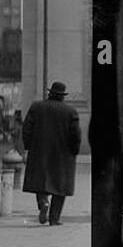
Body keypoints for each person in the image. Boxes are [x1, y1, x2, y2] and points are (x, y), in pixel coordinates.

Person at [22, 81, 81, 226]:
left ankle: (43, 202)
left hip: (40, 151)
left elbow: (26, 128)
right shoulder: (70, 111)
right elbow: (76, 135)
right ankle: (54, 218)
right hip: (63, 154)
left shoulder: (37, 107)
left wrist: (29, 146)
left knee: (40, 180)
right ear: (63, 96)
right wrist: (74, 150)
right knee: (60, 185)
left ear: (50, 93)